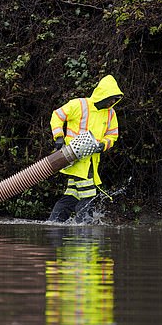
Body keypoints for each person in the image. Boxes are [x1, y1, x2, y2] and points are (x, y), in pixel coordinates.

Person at [48, 74, 123, 222]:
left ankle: (53, 224)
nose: (113, 102)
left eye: (116, 99)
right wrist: (59, 137)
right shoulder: (79, 105)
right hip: (74, 160)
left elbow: (112, 135)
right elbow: (57, 115)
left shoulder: (110, 114)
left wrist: (103, 145)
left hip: (90, 163)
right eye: (112, 98)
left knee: (71, 197)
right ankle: (84, 229)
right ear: (103, 95)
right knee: (88, 195)